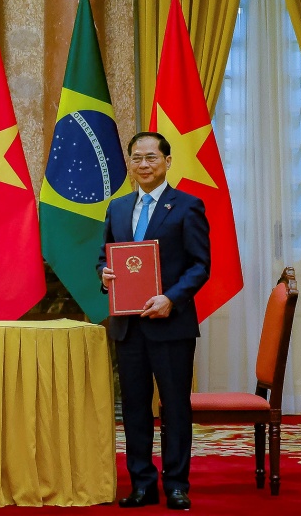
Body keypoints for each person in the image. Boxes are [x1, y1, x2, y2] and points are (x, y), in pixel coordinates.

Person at [99, 132, 210, 511]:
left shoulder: (188, 206)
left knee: (175, 407)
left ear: (167, 161)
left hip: (171, 325)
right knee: (133, 408)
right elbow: (104, 257)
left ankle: (176, 484)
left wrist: (171, 299)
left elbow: (200, 265)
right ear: (129, 164)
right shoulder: (117, 208)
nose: (143, 164)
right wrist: (104, 275)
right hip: (128, 327)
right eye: (137, 158)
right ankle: (142, 484)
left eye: (151, 157)